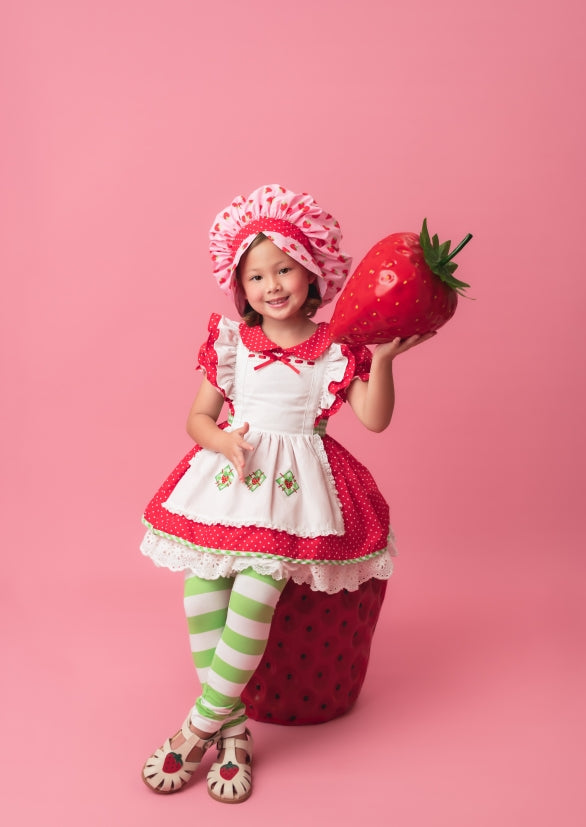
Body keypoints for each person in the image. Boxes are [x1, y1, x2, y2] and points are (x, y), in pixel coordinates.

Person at [140, 184, 433, 803]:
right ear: (240, 289)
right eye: (256, 277)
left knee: (258, 585)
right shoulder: (231, 345)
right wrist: (220, 443)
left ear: (312, 272)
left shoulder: (334, 348)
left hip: (295, 489)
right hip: (235, 480)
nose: (271, 286)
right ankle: (235, 728)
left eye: (284, 270)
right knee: (201, 587)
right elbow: (197, 418)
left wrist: (380, 363)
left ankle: (198, 727)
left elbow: (373, 419)